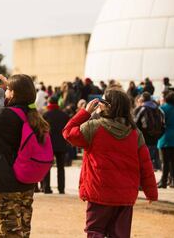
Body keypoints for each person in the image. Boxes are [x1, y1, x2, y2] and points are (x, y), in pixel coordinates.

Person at [63, 88, 158, 238]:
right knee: (120, 234)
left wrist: (85, 113)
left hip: (99, 192)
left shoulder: (93, 127)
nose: (98, 104)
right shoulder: (135, 133)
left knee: (95, 231)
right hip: (125, 196)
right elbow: (145, 165)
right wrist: (151, 193)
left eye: (102, 101)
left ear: (109, 106)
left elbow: (68, 132)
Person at [0, 74, 49, 238]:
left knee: (10, 233)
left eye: (8, 91)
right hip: (26, 182)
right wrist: (10, 87)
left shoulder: (6, 116)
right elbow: (21, 104)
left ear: (12, 93)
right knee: (23, 232)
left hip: (7, 183)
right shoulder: (33, 114)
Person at [41, 96, 70, 194]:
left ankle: (46, 188)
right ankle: (61, 189)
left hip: (49, 145)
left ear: (49, 103)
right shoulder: (64, 115)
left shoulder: (45, 115)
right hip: (61, 144)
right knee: (61, 168)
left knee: (46, 167)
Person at [134, 92, 165, 171]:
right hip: (155, 139)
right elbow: (163, 124)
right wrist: (158, 135)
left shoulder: (142, 108)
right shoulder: (158, 109)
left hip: (143, 138)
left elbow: (135, 123)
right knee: (150, 160)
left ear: (142, 99)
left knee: (143, 161)